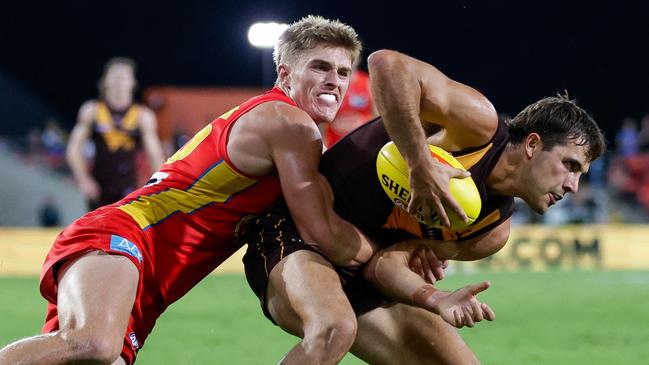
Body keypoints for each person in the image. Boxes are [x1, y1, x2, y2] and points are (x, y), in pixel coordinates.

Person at [0, 15, 375, 365]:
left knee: (97, 352)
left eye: (343, 72)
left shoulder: (298, 139)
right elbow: (319, 230)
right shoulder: (288, 123)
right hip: (128, 234)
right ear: (284, 74)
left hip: (150, 283)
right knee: (93, 343)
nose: (334, 81)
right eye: (320, 67)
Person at [239, 49, 607, 364]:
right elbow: (385, 63)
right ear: (531, 145)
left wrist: (438, 300)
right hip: (296, 234)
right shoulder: (476, 125)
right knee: (334, 328)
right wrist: (419, 163)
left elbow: (384, 268)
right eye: (570, 165)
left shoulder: (491, 231)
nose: (574, 186)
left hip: (359, 268)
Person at [66, 57, 166, 211]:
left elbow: (155, 155)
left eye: (124, 76)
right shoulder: (92, 110)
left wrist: (158, 187)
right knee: (96, 233)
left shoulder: (142, 115)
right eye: (114, 75)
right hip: (98, 190)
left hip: (128, 190)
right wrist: (84, 180)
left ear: (133, 82)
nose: (119, 80)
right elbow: (73, 150)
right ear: (105, 81)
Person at [320, 68, 377, 148]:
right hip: (334, 146)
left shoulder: (368, 82)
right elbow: (321, 121)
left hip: (364, 145)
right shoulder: (328, 85)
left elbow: (377, 118)